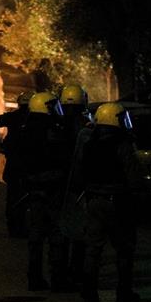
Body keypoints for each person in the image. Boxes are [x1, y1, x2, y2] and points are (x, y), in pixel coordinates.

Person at [77, 102, 140, 302]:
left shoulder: (90, 143)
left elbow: (81, 172)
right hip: (118, 202)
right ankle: (124, 293)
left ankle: (89, 294)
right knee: (124, 249)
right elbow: (132, 175)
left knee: (93, 249)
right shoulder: (122, 144)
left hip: (94, 201)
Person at [22, 92, 74, 292]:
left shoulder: (26, 130)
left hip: (33, 190)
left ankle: (34, 278)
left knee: (35, 236)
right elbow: (65, 158)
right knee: (56, 235)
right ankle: (58, 279)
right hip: (53, 189)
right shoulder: (55, 131)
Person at [58, 84, 92, 282]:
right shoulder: (87, 129)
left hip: (59, 184)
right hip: (79, 187)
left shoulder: (57, 125)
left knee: (60, 232)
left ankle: (60, 274)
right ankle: (76, 273)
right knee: (79, 232)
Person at [0, 90, 33, 237]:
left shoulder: (13, 117)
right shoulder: (35, 119)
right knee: (26, 195)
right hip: (27, 163)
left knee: (12, 195)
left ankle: (13, 226)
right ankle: (22, 226)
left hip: (13, 161)